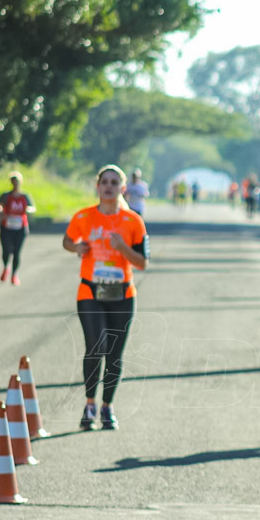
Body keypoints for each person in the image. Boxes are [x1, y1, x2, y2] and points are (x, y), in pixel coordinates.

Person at [62, 165, 149, 431]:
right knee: (95, 346)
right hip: (90, 291)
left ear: (123, 188)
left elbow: (143, 263)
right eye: (104, 182)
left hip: (122, 293)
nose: (109, 186)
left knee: (114, 354)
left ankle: (107, 406)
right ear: (97, 187)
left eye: (114, 182)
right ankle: (89, 403)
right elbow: (67, 241)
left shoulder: (133, 221)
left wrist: (122, 247)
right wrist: (76, 246)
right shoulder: (84, 216)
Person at [0, 171, 35, 285]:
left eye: (17, 181)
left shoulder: (25, 196)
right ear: (11, 182)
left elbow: (32, 208)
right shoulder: (6, 196)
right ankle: (6, 267)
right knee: (6, 250)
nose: (15, 183)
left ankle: (14, 275)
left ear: (20, 182)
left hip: (20, 228)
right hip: (6, 227)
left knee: (17, 252)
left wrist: (28, 210)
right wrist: (1, 211)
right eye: (13, 181)